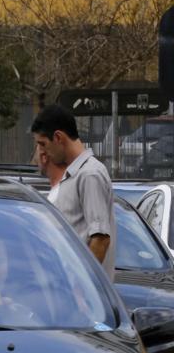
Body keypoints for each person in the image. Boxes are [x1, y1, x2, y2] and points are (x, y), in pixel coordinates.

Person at [33, 104, 116, 279]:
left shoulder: (89, 174)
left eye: (43, 143)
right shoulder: (73, 175)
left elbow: (100, 239)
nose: (43, 152)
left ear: (58, 137)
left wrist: (81, 285)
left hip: (83, 298)